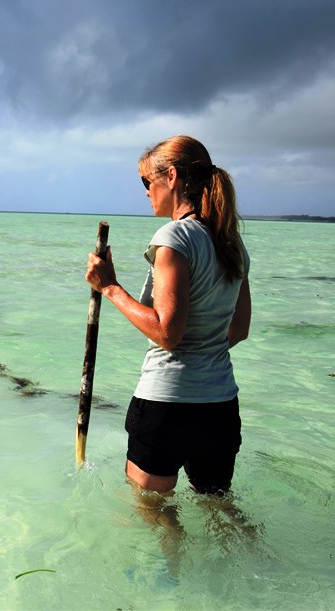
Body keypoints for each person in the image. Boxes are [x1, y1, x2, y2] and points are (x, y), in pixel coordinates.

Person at [85, 136, 251, 497]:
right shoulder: (230, 241)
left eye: (147, 182)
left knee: (153, 513)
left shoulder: (174, 237)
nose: (145, 193)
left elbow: (166, 333)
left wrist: (110, 288)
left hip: (167, 403)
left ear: (171, 176)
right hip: (220, 405)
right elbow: (239, 329)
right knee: (221, 511)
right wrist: (204, 353)